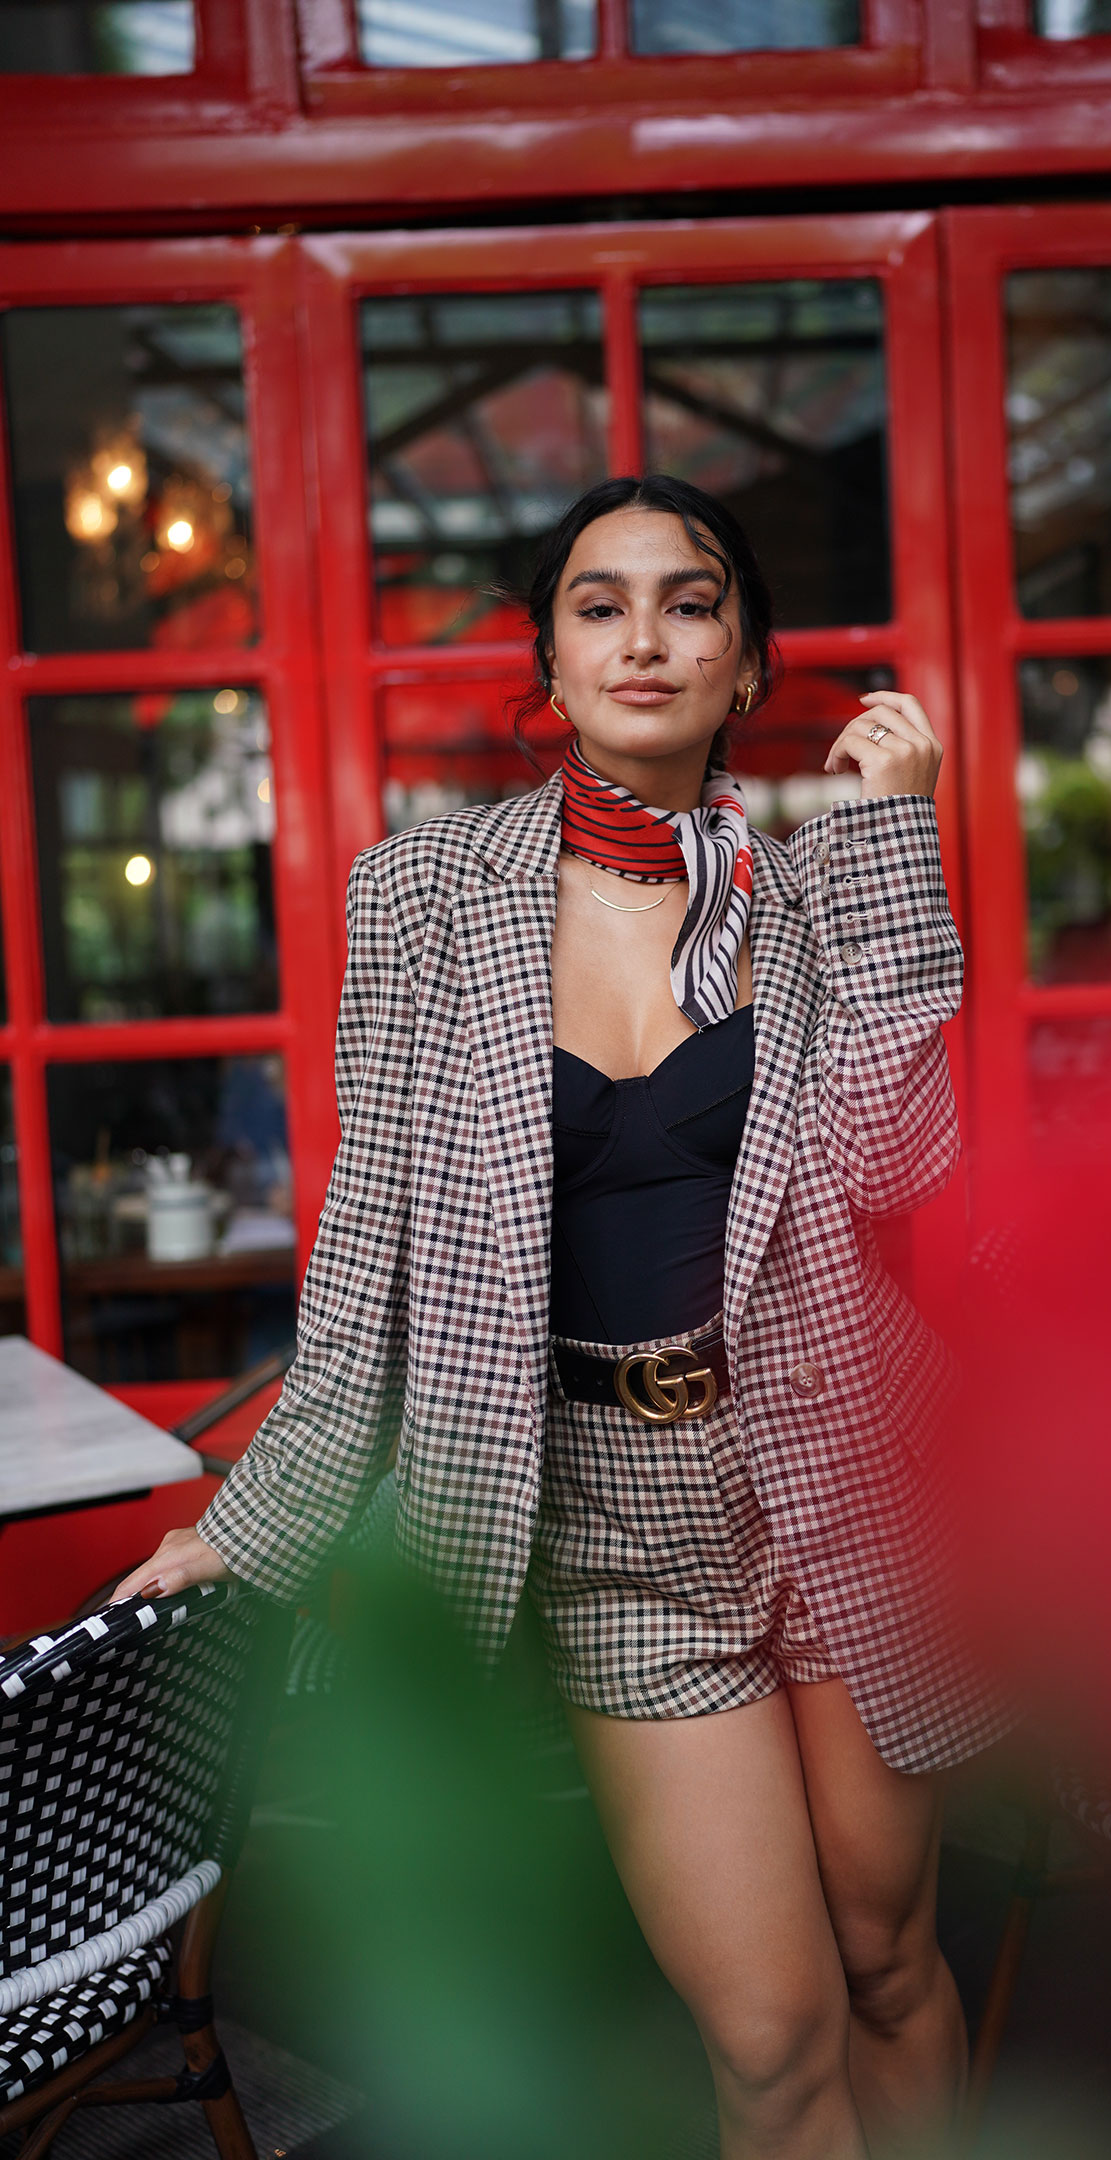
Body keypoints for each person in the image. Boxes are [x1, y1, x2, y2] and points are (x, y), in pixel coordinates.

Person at [116, 474, 1006, 2160]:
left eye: (691, 602)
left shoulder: (818, 893)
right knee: (773, 2031)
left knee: (891, 1964)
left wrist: (896, 844)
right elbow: (369, 1241)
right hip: (613, 1526)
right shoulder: (424, 896)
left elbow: (898, 1165)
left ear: (747, 663)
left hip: (838, 1477)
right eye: (600, 607)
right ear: (551, 662)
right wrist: (250, 1523)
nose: (644, 639)